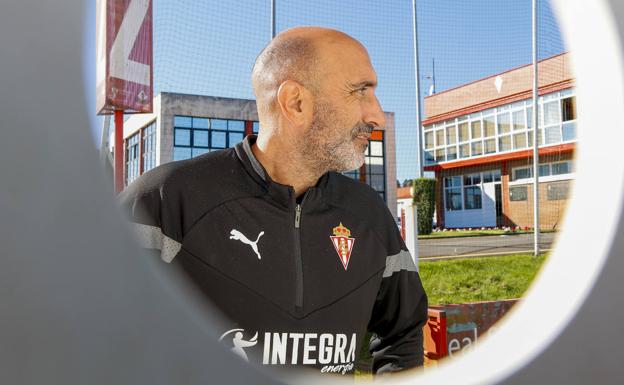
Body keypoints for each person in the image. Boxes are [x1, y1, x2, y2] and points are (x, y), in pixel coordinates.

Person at [120, 26, 428, 376]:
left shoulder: (369, 214)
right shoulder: (163, 200)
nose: (375, 114)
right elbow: (91, 331)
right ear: (295, 102)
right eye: (360, 92)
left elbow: (402, 332)